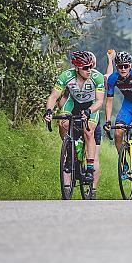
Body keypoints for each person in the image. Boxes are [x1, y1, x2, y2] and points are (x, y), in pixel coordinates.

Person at [44, 51, 105, 195]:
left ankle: (89, 167)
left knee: (88, 130)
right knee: (62, 122)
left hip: (91, 105)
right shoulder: (66, 76)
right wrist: (48, 111)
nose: (89, 70)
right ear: (77, 68)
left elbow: (100, 101)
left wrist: (89, 111)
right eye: (85, 67)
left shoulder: (97, 77)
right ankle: (69, 147)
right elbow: (53, 96)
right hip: (73, 103)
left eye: (90, 66)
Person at [103, 50, 132, 154]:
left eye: (126, 66)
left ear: (130, 65)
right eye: (120, 66)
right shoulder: (113, 78)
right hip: (128, 105)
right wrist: (108, 120)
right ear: (116, 66)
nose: (123, 69)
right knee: (118, 133)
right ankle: (123, 163)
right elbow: (109, 101)